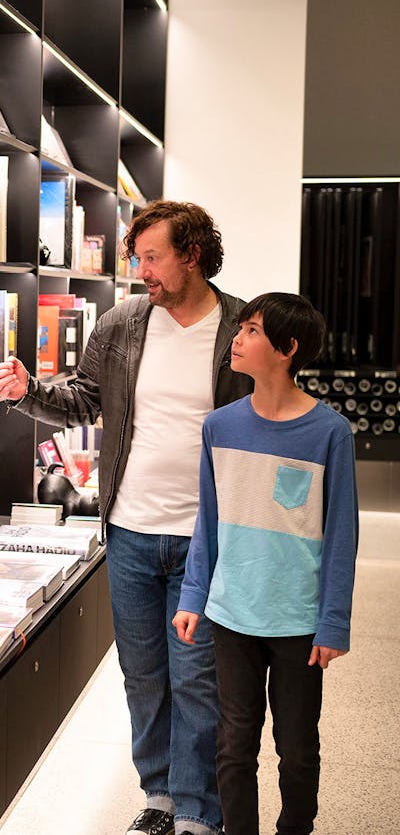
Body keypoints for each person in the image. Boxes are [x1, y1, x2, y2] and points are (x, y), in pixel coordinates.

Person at [0, 201, 253, 835]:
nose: (142, 271)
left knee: (197, 680)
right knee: (143, 676)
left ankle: (198, 811)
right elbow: (83, 400)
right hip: (132, 532)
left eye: (151, 258)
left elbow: (267, 420)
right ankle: (161, 798)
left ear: (191, 254)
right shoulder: (122, 323)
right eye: (136, 258)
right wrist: (28, 390)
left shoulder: (240, 329)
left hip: (204, 539)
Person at [173, 292, 358, 835]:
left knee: (297, 749)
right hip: (231, 614)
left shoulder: (330, 433)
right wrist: (192, 597)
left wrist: (333, 621)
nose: (237, 338)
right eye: (242, 327)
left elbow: (341, 536)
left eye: (252, 330)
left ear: (287, 348)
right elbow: (208, 523)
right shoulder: (220, 427)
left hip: (299, 622)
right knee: (233, 746)